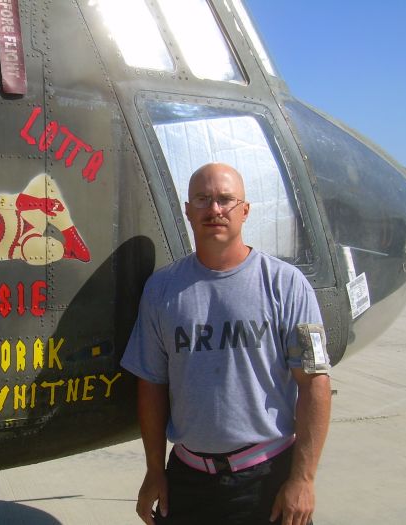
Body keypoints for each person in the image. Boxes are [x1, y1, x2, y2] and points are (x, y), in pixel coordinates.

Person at [120, 163, 331, 525]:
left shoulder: (286, 285)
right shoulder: (162, 290)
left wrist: (303, 479)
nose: (214, 209)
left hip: (266, 482)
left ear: (244, 210)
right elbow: (152, 385)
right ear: (187, 210)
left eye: (225, 200)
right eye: (202, 199)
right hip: (188, 481)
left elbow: (314, 383)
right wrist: (155, 470)